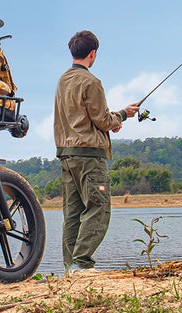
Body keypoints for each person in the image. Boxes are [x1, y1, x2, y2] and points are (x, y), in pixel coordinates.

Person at [53, 30, 140, 275]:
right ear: (92, 54)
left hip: (66, 155)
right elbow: (102, 119)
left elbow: (84, 118)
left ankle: (71, 267)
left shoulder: (62, 80)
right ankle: (81, 262)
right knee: (99, 207)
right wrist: (123, 114)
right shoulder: (91, 82)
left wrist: (112, 120)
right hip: (89, 156)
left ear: (73, 52)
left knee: (73, 212)